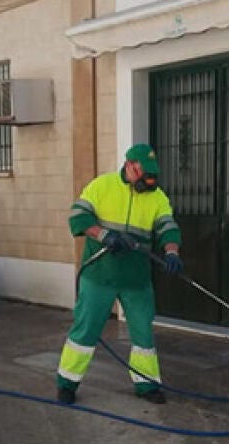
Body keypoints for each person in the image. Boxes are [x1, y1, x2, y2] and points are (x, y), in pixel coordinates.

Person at [55, 144, 183, 405]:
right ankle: (67, 384)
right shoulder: (102, 186)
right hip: (99, 274)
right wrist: (105, 235)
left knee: (143, 335)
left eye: (152, 176)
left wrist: (172, 252)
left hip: (136, 280)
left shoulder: (157, 197)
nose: (149, 181)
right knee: (85, 331)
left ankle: (147, 386)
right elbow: (78, 217)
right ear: (129, 165)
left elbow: (168, 227)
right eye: (144, 174)